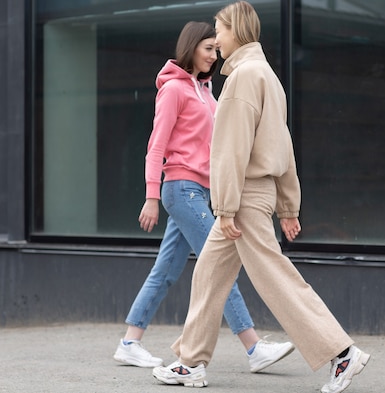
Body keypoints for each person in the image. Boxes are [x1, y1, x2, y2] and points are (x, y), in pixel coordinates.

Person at [152, 1, 370, 393]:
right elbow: (282, 145)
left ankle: (342, 353)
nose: (216, 39)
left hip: (242, 198)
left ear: (236, 30)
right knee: (209, 274)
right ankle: (190, 363)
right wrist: (288, 205)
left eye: (219, 30)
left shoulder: (241, 79)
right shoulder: (266, 75)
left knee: (275, 277)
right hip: (255, 194)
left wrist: (225, 207)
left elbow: (231, 150)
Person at [112, 21, 295, 373]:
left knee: (166, 269)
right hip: (181, 189)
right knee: (220, 266)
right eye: (208, 48)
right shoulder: (174, 91)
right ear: (192, 47)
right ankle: (254, 347)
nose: (215, 55)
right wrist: (152, 195)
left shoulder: (207, 91)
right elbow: (156, 146)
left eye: (216, 48)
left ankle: (130, 341)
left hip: (201, 191)